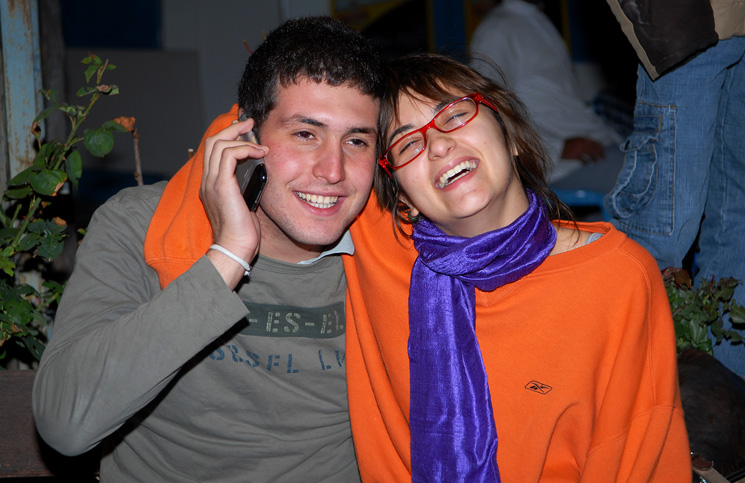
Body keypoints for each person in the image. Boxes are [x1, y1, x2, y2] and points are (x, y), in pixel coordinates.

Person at [32, 16, 382, 482]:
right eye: (305, 134)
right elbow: (65, 424)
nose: (333, 170)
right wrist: (228, 256)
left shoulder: (392, 251)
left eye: (356, 141)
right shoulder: (141, 225)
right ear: (246, 137)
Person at [342, 53, 691, 481]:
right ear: (403, 199)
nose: (437, 144)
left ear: (510, 136)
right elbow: (285, 131)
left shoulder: (617, 279)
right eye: (408, 144)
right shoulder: (380, 245)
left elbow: (640, 462)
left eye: (455, 115)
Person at [605, 0, 745, 379]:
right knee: (659, 233)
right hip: (688, 19)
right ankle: (625, 397)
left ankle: (723, 399)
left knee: (741, 220)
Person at [469, 0, 624, 193]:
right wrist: (557, 148)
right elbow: (488, 105)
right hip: (562, 164)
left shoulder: (534, 19)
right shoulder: (498, 28)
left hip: (591, 142)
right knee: (648, 176)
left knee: (649, 161)